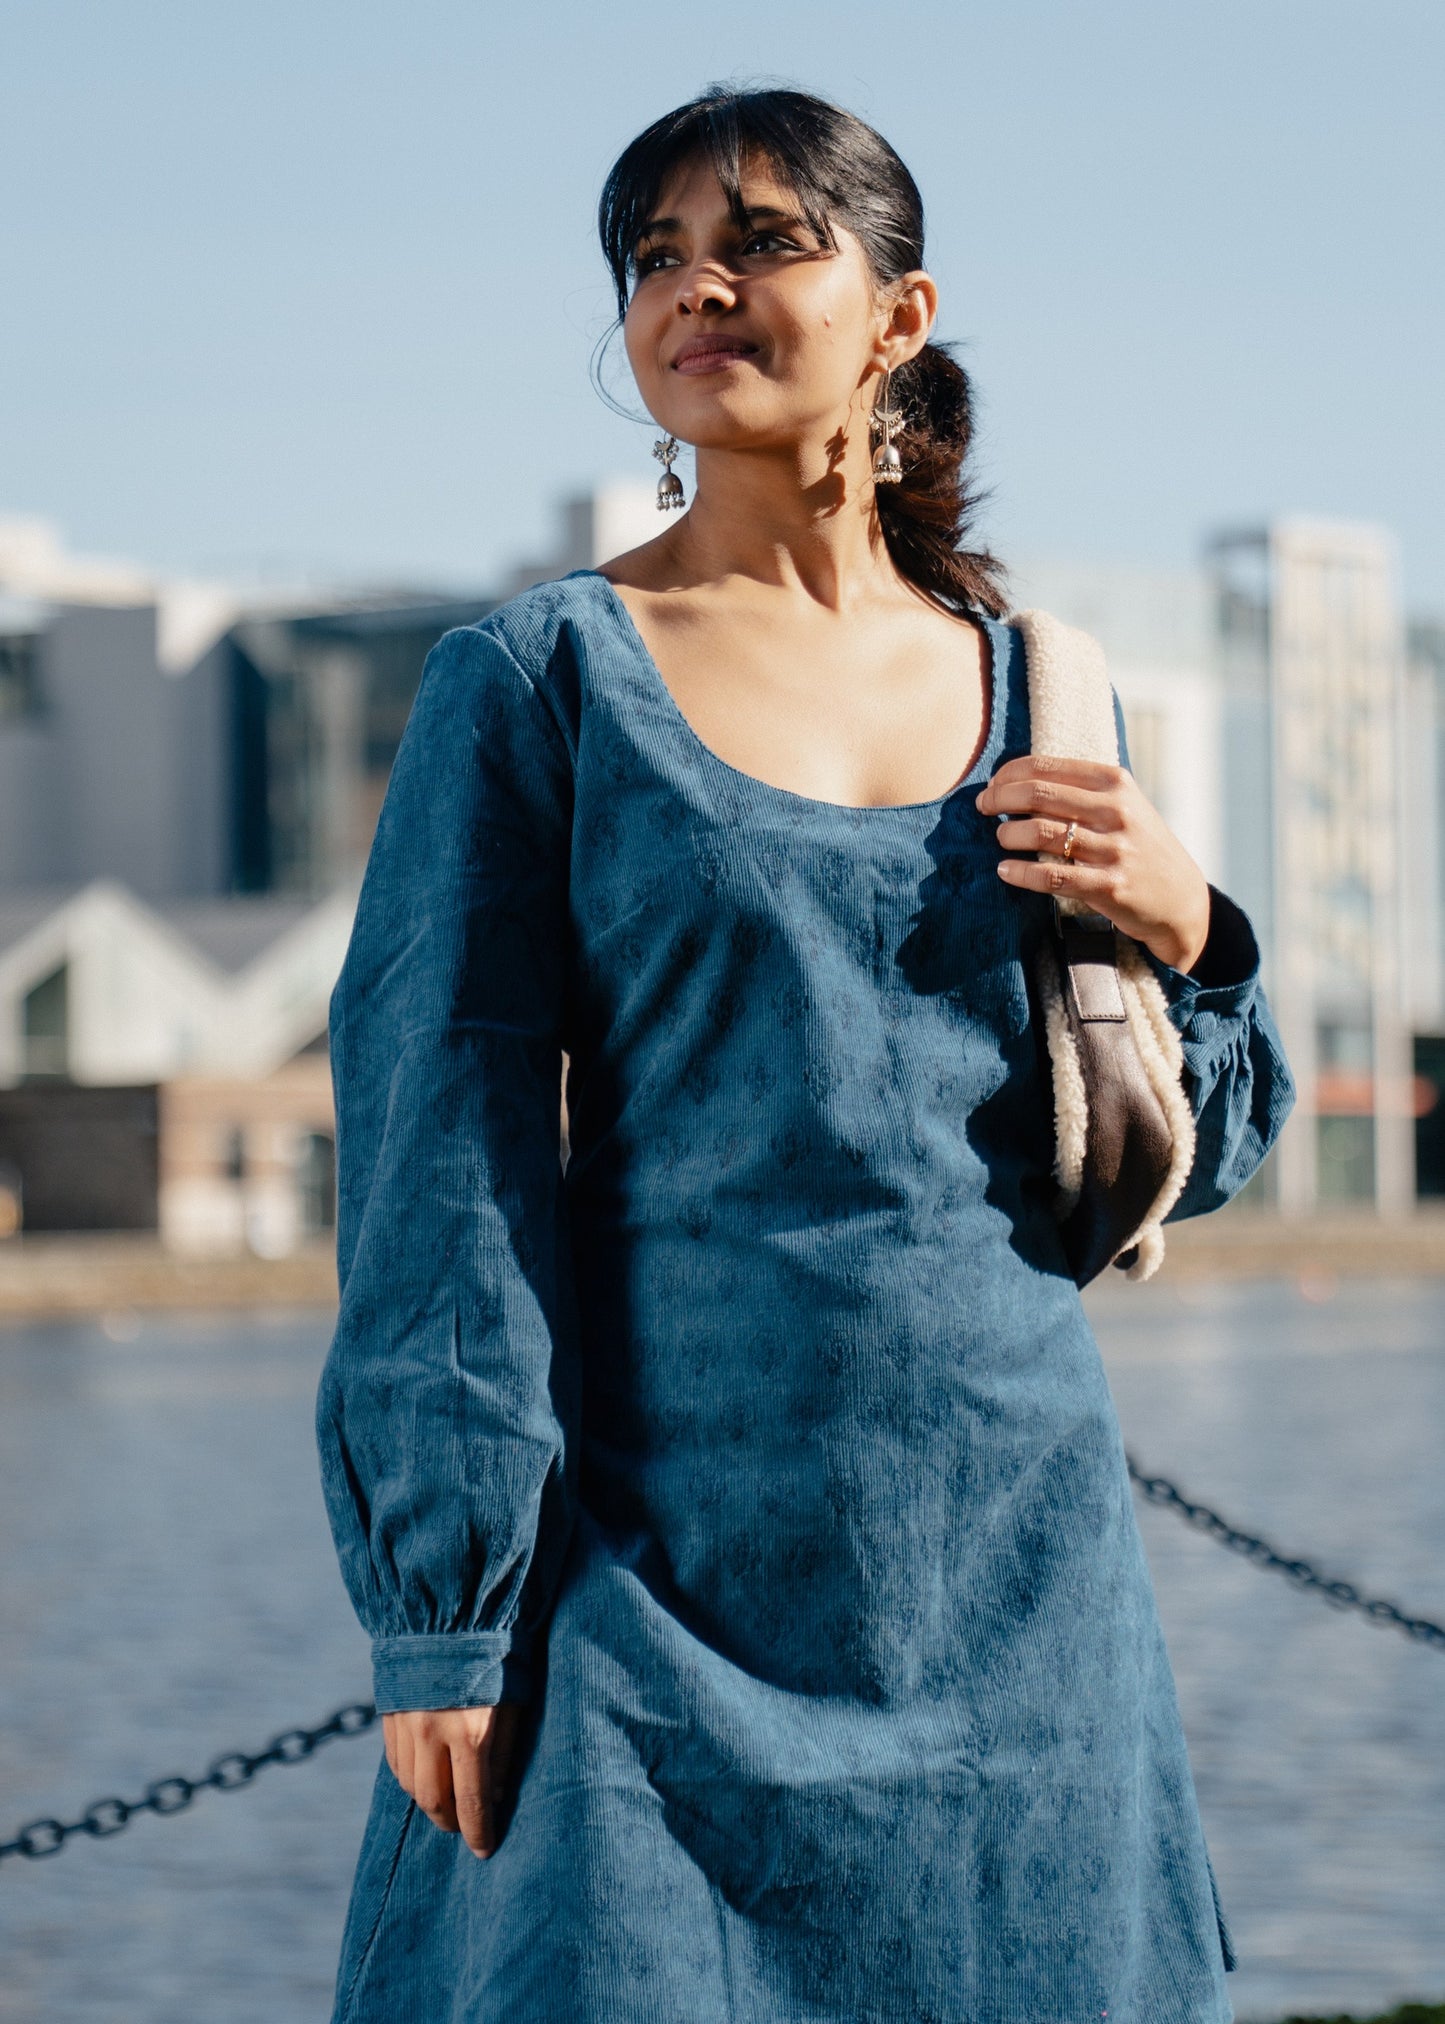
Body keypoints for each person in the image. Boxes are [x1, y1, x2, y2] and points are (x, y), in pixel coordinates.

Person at [316, 84, 1294, 2024]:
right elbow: (440, 1153)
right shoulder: (533, 683)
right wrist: (443, 1607)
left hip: (1017, 1593)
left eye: (761, 242)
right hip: (647, 1585)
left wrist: (1196, 925)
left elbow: (1173, 1148)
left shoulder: (1042, 693)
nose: (697, 288)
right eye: (654, 257)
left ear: (899, 315)